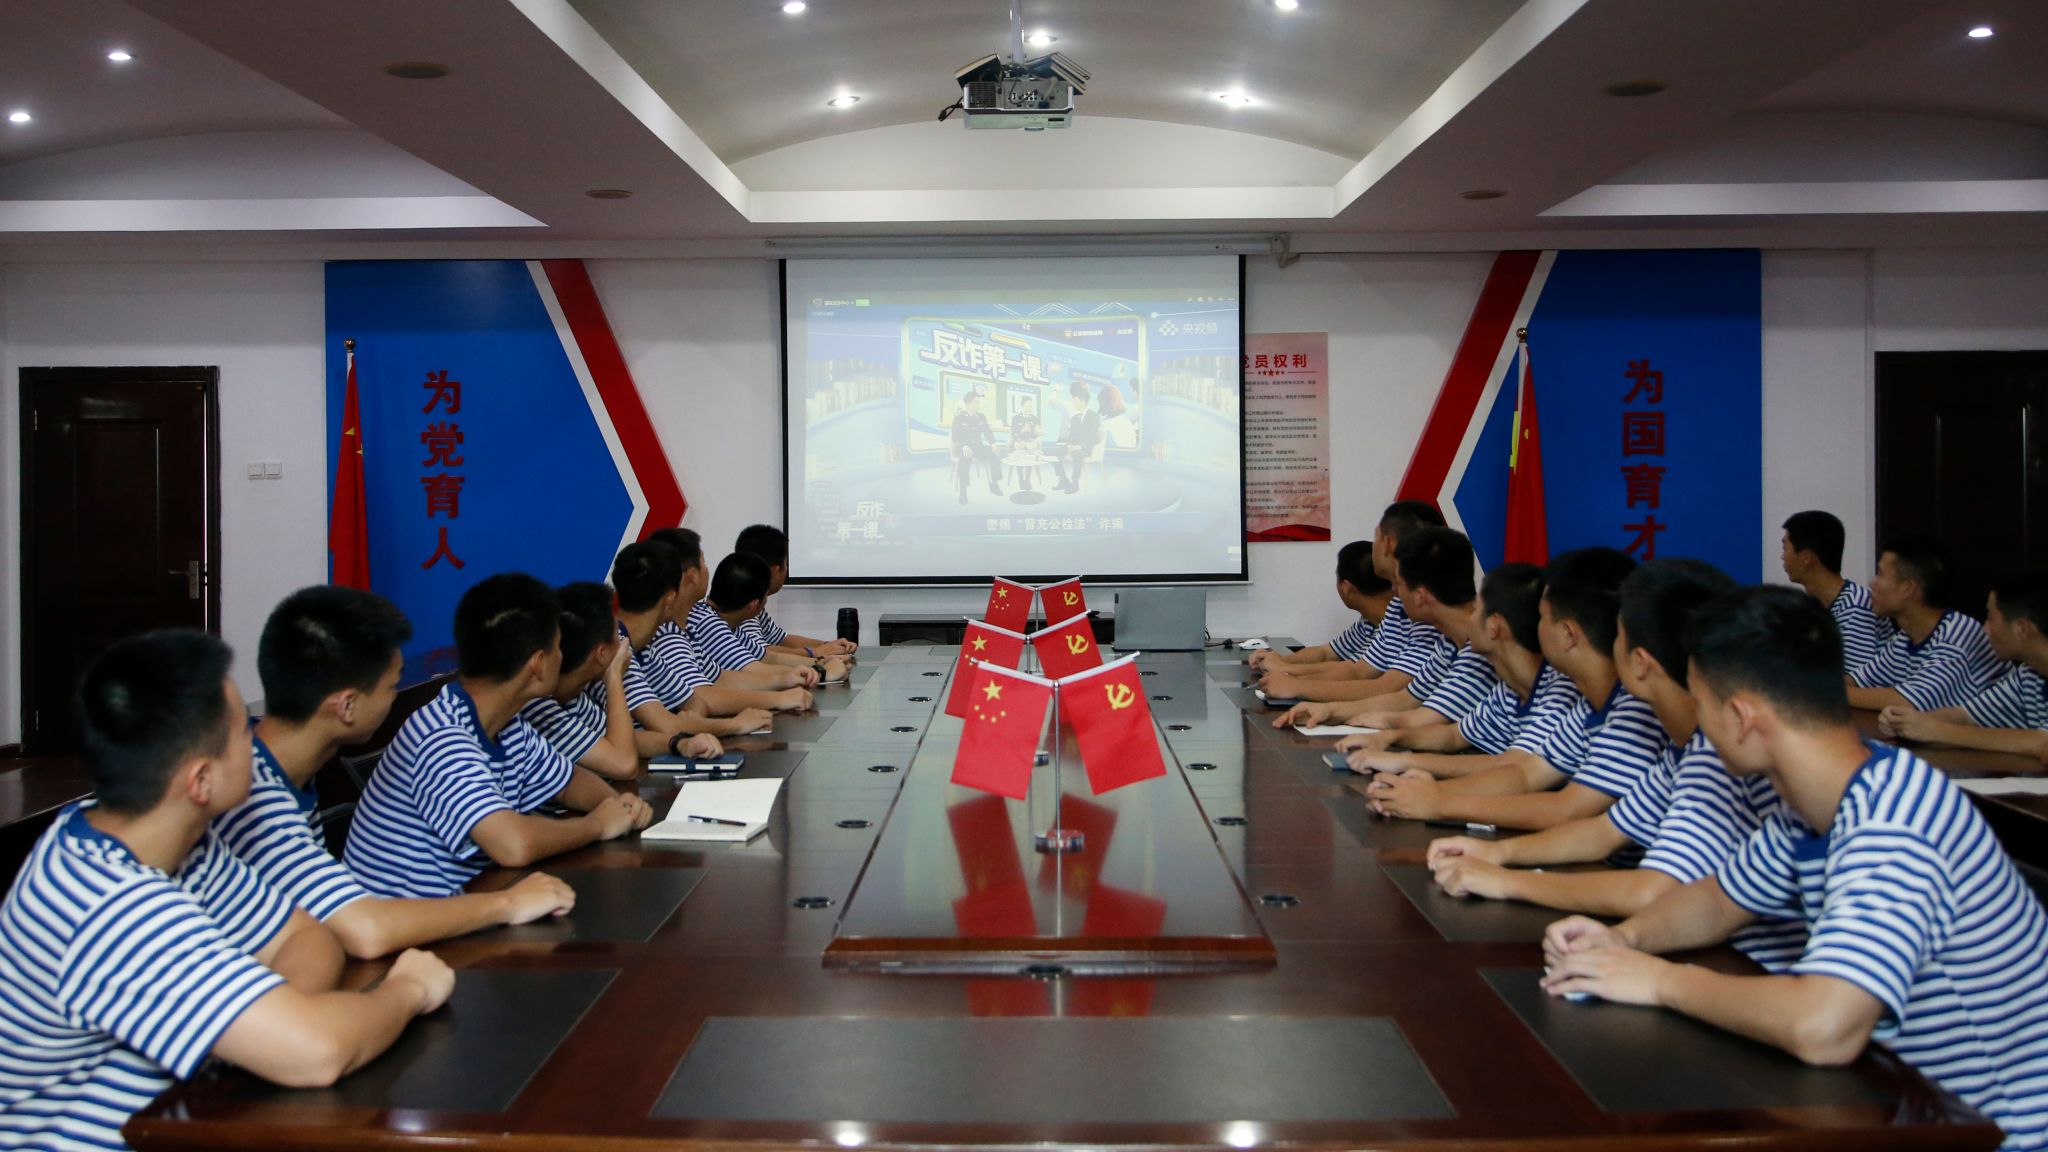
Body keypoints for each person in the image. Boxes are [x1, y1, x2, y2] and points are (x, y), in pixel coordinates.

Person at [1541, 586, 2048, 1150]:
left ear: (1741, 718)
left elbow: (1823, 1028)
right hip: (1902, 1102)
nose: (1696, 724)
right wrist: (1622, 940)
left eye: (1701, 703)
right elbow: (1716, 901)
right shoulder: (1821, 801)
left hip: (1997, 1134)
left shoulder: (1894, 822)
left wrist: (1661, 982)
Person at [0, 631, 455, 1149]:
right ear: (200, 781)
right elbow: (319, 1053)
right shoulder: (107, 903)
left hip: (200, 1120)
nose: (257, 742)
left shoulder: (172, 839)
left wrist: (267, 1022)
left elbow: (306, 936)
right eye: (243, 733)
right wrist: (409, 990)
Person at [1424, 559, 1806, 970]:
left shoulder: (1715, 751)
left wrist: (1508, 880)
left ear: (1640, 662)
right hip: (1701, 943)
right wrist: (1497, 854)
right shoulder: (1689, 745)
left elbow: (1652, 889)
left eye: (1618, 635)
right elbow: (1604, 831)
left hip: (1740, 964)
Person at [217, 586, 577, 960]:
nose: (394, 698)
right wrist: (508, 903)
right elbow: (366, 931)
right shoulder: (253, 796)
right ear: (347, 706)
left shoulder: (278, 770)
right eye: (391, 686)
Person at [343, 574, 655, 899]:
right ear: (538, 664)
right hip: (409, 922)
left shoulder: (507, 725)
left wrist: (617, 805)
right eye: (557, 647)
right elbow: (513, 844)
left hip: (470, 903)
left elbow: (570, 782)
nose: (562, 657)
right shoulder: (441, 736)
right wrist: (598, 825)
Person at [1365, 548, 1668, 831]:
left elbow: (1566, 808)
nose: (1536, 626)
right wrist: (1424, 792)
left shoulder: (1630, 709)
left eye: (1543, 616)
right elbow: (1524, 774)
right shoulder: (1588, 704)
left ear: (1568, 634)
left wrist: (1439, 801)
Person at [1286, 564, 1576, 777]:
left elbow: (1513, 768)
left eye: (1477, 610)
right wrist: (1391, 738)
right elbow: (1454, 735)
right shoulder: (1507, 688)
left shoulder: (1559, 692)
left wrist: (1409, 766)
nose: (1469, 618)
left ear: (1495, 626)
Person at [1272, 528, 1494, 732]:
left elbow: (1439, 726)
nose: (1394, 593)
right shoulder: (1449, 642)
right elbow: (1406, 699)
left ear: (1420, 596)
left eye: (1398, 584)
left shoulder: (1482, 648)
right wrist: (1328, 710)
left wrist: (1389, 732)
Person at [1258, 502, 1455, 704]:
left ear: (1388, 543)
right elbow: (1358, 670)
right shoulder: (1398, 607)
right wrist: (1288, 676)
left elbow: (1390, 690)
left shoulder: (1428, 614)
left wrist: (1296, 683)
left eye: (1376, 537)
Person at [520, 580, 725, 775]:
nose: (623, 643)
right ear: (601, 654)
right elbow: (624, 765)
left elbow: (629, 739)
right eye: (617, 635)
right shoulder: (538, 705)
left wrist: (681, 744)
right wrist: (614, 676)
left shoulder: (575, 695)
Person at [610, 543, 792, 742]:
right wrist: (735, 724)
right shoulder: (617, 651)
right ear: (670, 597)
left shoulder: (643, 648)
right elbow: (669, 725)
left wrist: (691, 722)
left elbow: (695, 700)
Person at [1880, 570, 2048, 760]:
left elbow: (2042, 744)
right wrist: (1905, 722)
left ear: (2021, 629)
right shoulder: (2029, 674)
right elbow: (1967, 715)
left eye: (1991, 618)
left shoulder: (1955, 634)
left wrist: (1939, 732)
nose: (1985, 629)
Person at [1846, 534, 2002, 711]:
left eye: (1880, 574)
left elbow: (1908, 702)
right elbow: (1858, 679)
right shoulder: (1905, 638)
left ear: (1907, 589)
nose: (1872, 584)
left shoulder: (1958, 634)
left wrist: (1828, 693)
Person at [686, 552, 847, 682]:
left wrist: (820, 660)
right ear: (754, 604)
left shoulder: (725, 621)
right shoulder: (707, 623)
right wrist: (820, 672)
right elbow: (754, 670)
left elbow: (767, 657)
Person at [1248, 540, 1393, 675]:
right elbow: (1326, 653)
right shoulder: (1369, 621)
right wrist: (1279, 661)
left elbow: (1353, 671)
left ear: (1346, 587)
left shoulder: (1394, 627)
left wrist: (1285, 668)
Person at [730, 524, 858, 658]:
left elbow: (781, 639)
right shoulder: (743, 603)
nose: (787, 570)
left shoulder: (753, 598)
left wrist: (827, 645)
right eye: (786, 564)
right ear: (774, 571)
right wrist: (815, 653)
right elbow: (761, 653)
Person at [1781, 510, 1884, 672]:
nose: (1782, 557)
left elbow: (1853, 682)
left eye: (1785, 548)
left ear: (1806, 557)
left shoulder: (1857, 607)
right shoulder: (1809, 610)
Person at [951, 384, 1002, 502]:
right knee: (965, 459)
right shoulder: (959, 418)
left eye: (979, 402)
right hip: (964, 447)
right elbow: (955, 436)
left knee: (994, 456)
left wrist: (993, 444)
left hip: (978, 447)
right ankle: (963, 491)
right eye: (976, 402)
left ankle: (994, 484)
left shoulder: (981, 417)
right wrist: (964, 446)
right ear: (968, 404)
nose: (978, 404)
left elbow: (987, 432)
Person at [1050, 381, 1101, 494]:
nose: (1072, 402)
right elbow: (1072, 436)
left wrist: (1079, 446)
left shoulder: (1093, 415)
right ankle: (1063, 480)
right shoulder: (1075, 418)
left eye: (1074, 400)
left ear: (1081, 400)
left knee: (1077, 453)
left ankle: (1075, 482)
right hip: (1074, 446)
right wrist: (1069, 445)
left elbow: (1092, 435)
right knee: (1054, 452)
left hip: (1086, 447)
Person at [1006, 396, 1043, 493]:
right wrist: (1022, 432)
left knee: (1031, 452)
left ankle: (1027, 479)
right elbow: (1014, 433)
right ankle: (1020, 479)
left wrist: (1035, 434)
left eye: (1031, 406)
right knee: (1019, 451)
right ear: (1022, 406)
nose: (1029, 408)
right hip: (1019, 442)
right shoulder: (1016, 418)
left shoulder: (1035, 418)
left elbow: (1036, 435)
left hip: (1030, 443)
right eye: (1027, 406)